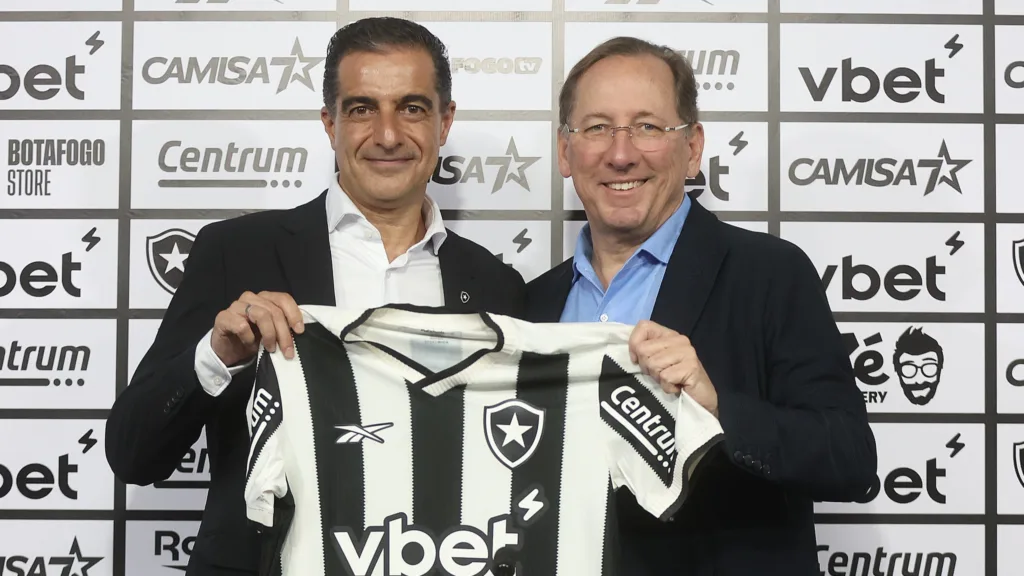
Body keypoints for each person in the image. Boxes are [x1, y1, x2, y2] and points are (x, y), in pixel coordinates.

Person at [105, 17, 527, 576]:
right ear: (329, 123)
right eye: (361, 109)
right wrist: (215, 357)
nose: (387, 134)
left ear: (445, 122)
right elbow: (134, 454)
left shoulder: (499, 288)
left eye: (412, 107)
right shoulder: (236, 252)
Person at [527, 36, 877, 575]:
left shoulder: (770, 274)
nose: (621, 154)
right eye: (597, 128)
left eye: (647, 126)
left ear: (692, 149)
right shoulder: (532, 303)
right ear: (564, 152)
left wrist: (716, 408)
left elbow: (850, 460)